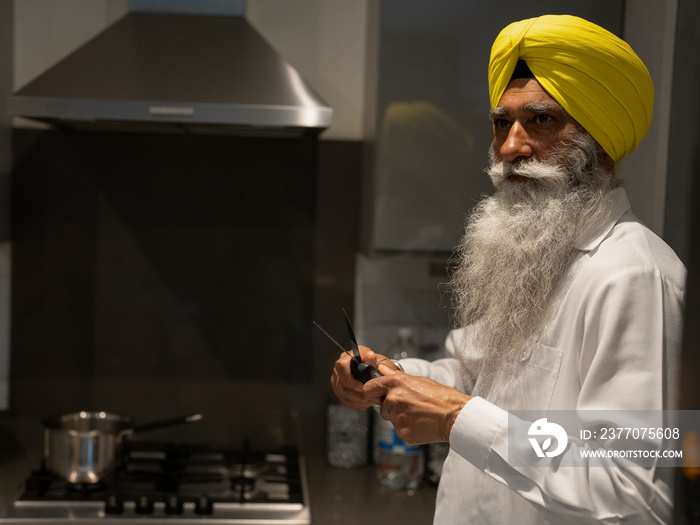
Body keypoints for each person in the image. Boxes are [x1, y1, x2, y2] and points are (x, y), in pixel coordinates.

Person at [330, 14, 686, 525]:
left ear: (600, 138)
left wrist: (455, 417)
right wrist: (396, 379)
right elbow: (479, 380)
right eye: (502, 123)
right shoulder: (537, 254)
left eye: (540, 120)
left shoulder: (635, 277)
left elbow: (630, 486)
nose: (510, 147)